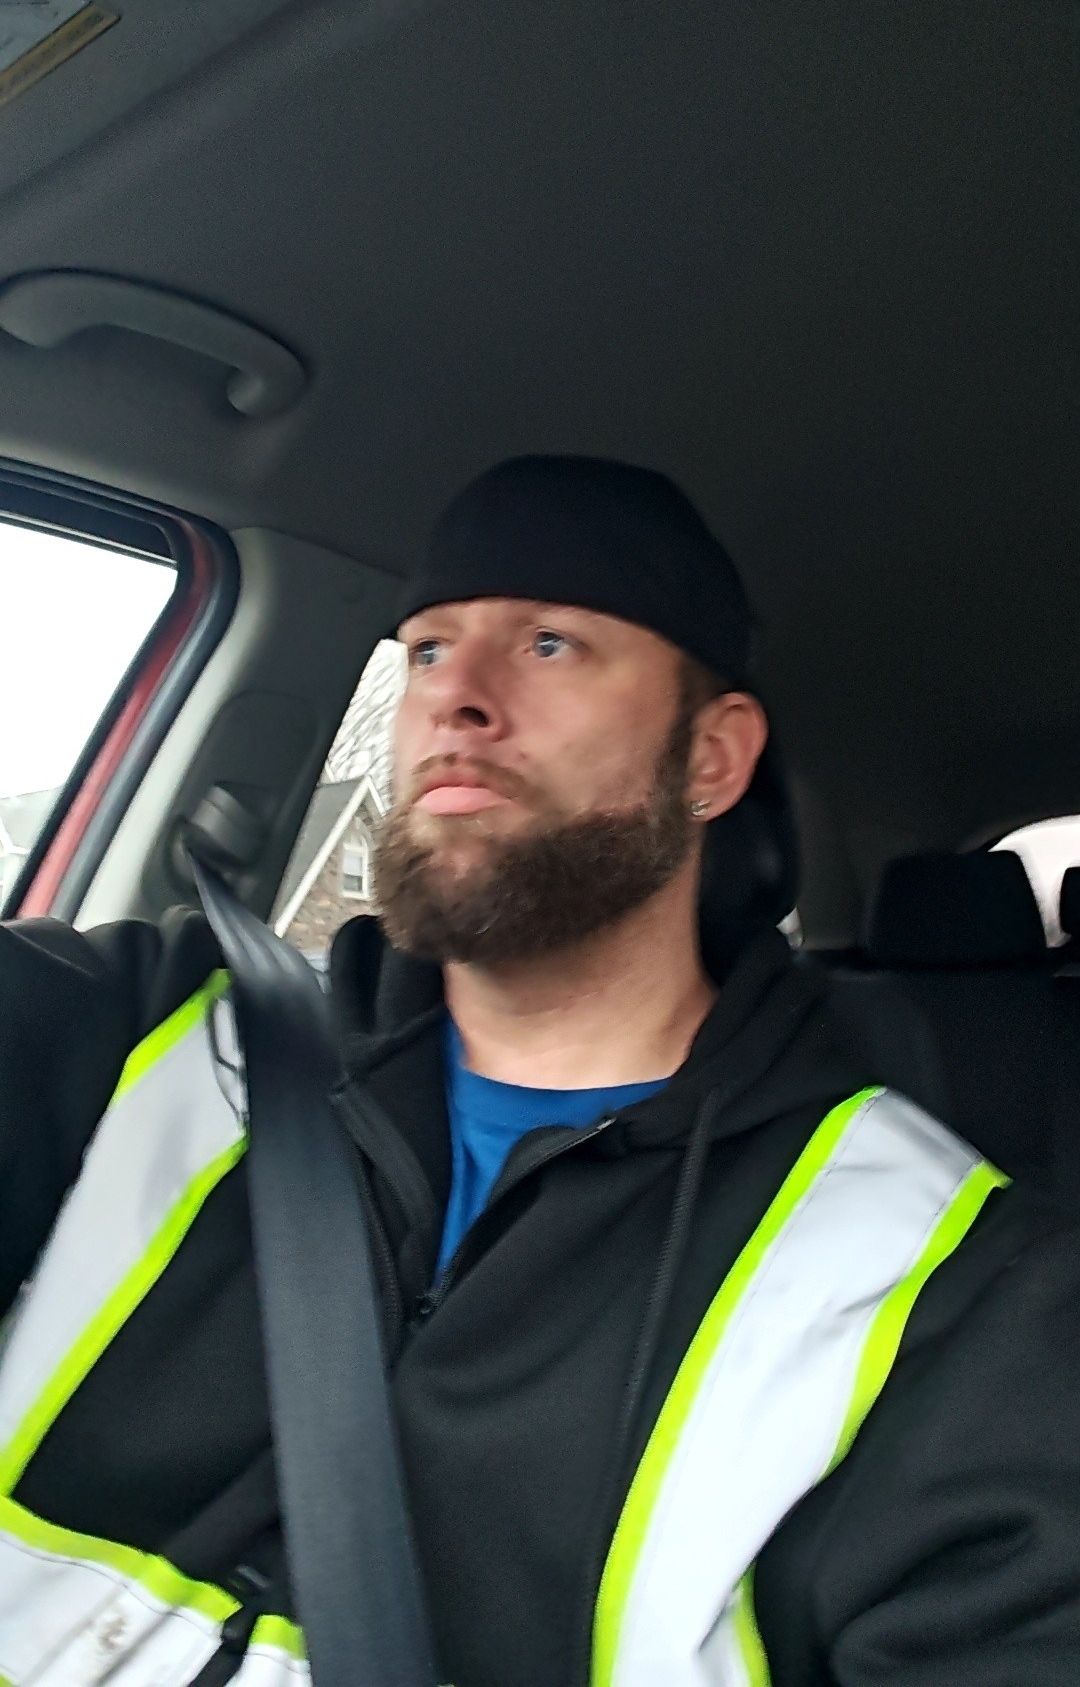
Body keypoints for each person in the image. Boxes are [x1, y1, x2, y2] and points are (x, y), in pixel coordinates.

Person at [1, 453, 1078, 1686]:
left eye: (551, 643)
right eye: (426, 650)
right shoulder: (150, 1029)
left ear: (712, 759)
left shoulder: (943, 1288)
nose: (454, 697)